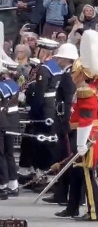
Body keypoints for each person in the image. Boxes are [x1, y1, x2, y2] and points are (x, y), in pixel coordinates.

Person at [55, 30, 98, 221]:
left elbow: (86, 118)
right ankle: (81, 208)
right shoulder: (88, 89)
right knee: (83, 174)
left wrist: (81, 143)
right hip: (87, 134)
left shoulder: (86, 90)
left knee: (88, 176)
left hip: (88, 136)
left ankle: (94, 212)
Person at [42, 43, 79, 205]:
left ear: (65, 59)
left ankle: (64, 195)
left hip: (66, 121)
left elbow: (69, 101)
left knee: (65, 158)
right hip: (63, 118)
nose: (57, 59)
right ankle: (61, 193)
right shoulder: (67, 73)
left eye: (59, 57)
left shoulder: (69, 75)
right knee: (62, 157)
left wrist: (65, 122)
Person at [28, 38, 63, 182]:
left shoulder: (45, 68)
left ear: (43, 51)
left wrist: (33, 112)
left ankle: (43, 173)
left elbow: (40, 93)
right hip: (55, 107)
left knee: (42, 141)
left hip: (45, 109)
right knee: (51, 141)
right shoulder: (58, 67)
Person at [0, 66, 20, 199]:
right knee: (8, 154)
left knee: (2, 154)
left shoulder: (2, 87)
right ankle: (12, 184)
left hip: (3, 122)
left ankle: (2, 186)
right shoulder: (9, 85)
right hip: (8, 122)